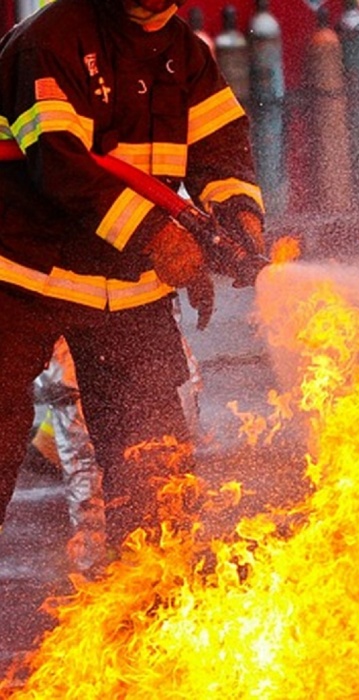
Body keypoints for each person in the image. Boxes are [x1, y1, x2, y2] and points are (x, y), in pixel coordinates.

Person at [0, 0, 266, 551]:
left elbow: (221, 152)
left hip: (126, 286)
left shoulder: (187, 56)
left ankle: (154, 605)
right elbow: (60, 163)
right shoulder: (50, 39)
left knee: (154, 468)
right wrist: (157, 236)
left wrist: (240, 218)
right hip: (23, 273)